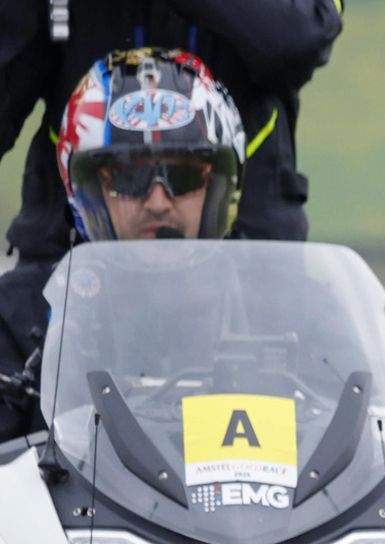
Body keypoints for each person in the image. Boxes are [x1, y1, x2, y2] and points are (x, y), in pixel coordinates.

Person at [0, 0, 342, 418]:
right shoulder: (21, 317)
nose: (158, 200)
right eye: (134, 179)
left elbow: (296, 37)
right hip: (69, 269)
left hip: (253, 274)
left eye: (179, 177)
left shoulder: (305, 317)